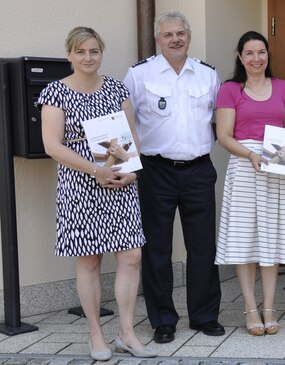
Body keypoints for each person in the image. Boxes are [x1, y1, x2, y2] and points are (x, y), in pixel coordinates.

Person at [38, 26, 156, 360]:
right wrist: (95, 170)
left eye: (94, 51)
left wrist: (130, 172)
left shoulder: (117, 88)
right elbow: (52, 146)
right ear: (69, 54)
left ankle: (127, 333)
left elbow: (132, 139)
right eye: (81, 52)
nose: (88, 58)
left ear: (101, 53)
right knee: (89, 261)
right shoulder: (54, 92)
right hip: (80, 183)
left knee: (132, 256)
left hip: (119, 181)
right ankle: (95, 335)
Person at [123, 10, 224, 343]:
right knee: (157, 249)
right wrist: (126, 167)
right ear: (158, 38)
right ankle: (163, 319)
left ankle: (204, 315)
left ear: (189, 36)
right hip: (155, 171)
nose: (175, 39)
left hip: (197, 168)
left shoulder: (208, 75)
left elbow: (220, 122)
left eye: (180, 33)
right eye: (168, 35)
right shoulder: (139, 75)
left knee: (202, 247)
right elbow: (124, 123)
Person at [213, 31, 285, 336]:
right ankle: (250, 308)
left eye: (261, 52)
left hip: (278, 169)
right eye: (249, 53)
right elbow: (224, 135)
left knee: (272, 240)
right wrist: (252, 155)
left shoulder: (282, 87)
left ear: (268, 55)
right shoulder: (230, 90)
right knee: (245, 240)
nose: (256, 58)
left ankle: (269, 307)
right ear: (240, 57)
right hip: (245, 167)